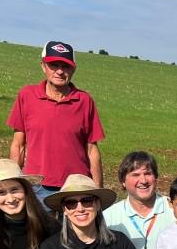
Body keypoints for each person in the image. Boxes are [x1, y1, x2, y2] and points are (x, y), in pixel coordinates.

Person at [8, 41, 105, 207]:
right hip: (37, 187)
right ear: (43, 66)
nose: (60, 71)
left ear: (73, 69)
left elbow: (92, 150)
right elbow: (18, 145)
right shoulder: (27, 96)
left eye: (65, 66)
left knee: (75, 233)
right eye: (54, 65)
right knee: (39, 233)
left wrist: (97, 193)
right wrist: (12, 186)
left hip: (76, 188)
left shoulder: (84, 101)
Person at [103, 151, 176, 249]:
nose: (143, 180)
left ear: (156, 178)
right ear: (123, 181)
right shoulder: (109, 218)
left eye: (148, 173)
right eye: (135, 175)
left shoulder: (174, 210)